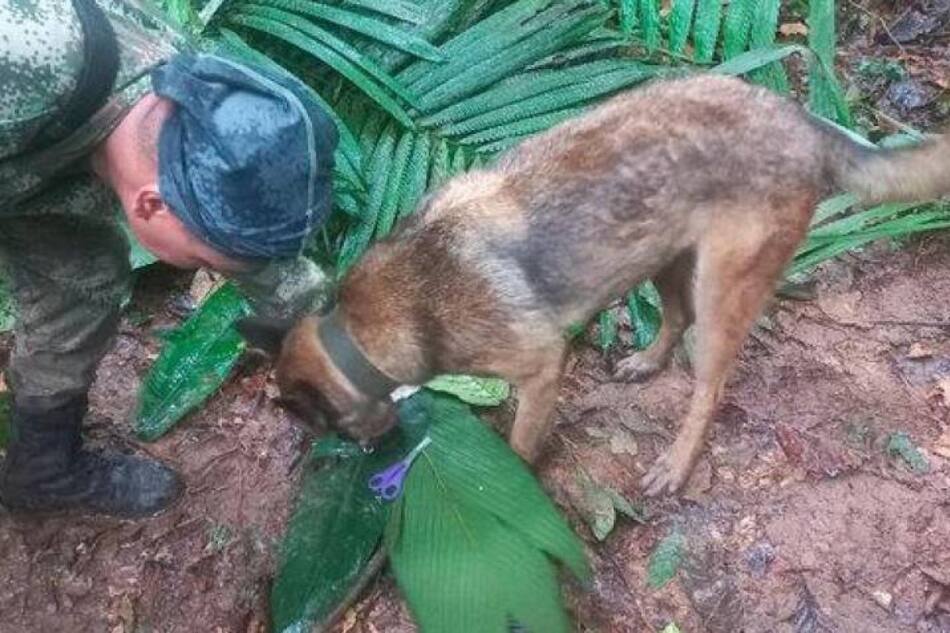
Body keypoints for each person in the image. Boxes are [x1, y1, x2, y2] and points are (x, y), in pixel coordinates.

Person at [0, 0, 338, 518]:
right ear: (151, 204)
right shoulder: (20, 63)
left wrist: (347, 350)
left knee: (82, 281)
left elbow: (250, 254)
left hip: (37, 154)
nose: (217, 268)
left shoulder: (193, 104)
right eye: (207, 262)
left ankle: (43, 470)